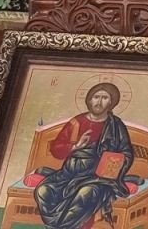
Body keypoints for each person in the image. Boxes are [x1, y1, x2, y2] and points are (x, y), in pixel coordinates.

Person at [34, 83, 134, 229]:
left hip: (97, 178)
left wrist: (109, 166)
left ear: (111, 102)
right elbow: (56, 149)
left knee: (85, 193)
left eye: (105, 98)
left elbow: (126, 153)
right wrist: (76, 147)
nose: (99, 102)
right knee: (43, 191)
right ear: (89, 100)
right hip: (68, 175)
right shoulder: (76, 122)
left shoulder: (115, 125)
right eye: (96, 97)